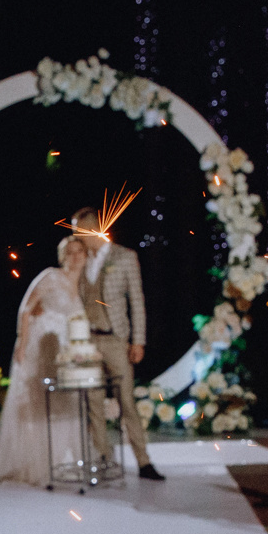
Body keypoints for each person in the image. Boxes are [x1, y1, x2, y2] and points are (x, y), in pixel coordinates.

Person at [0, 233, 98, 488]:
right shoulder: (51, 276)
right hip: (39, 347)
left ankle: (64, 460)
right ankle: (36, 464)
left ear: (87, 256)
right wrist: (22, 342)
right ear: (63, 256)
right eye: (71, 252)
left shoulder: (87, 285)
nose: (76, 257)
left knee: (63, 405)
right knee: (37, 404)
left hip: (66, 352)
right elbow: (26, 308)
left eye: (80, 252)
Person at [69, 204, 162, 480]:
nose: (76, 238)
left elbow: (137, 301)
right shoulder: (82, 258)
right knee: (93, 401)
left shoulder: (124, 257)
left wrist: (138, 341)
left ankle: (143, 461)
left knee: (126, 401)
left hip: (116, 339)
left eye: (79, 232)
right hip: (88, 341)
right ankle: (104, 459)